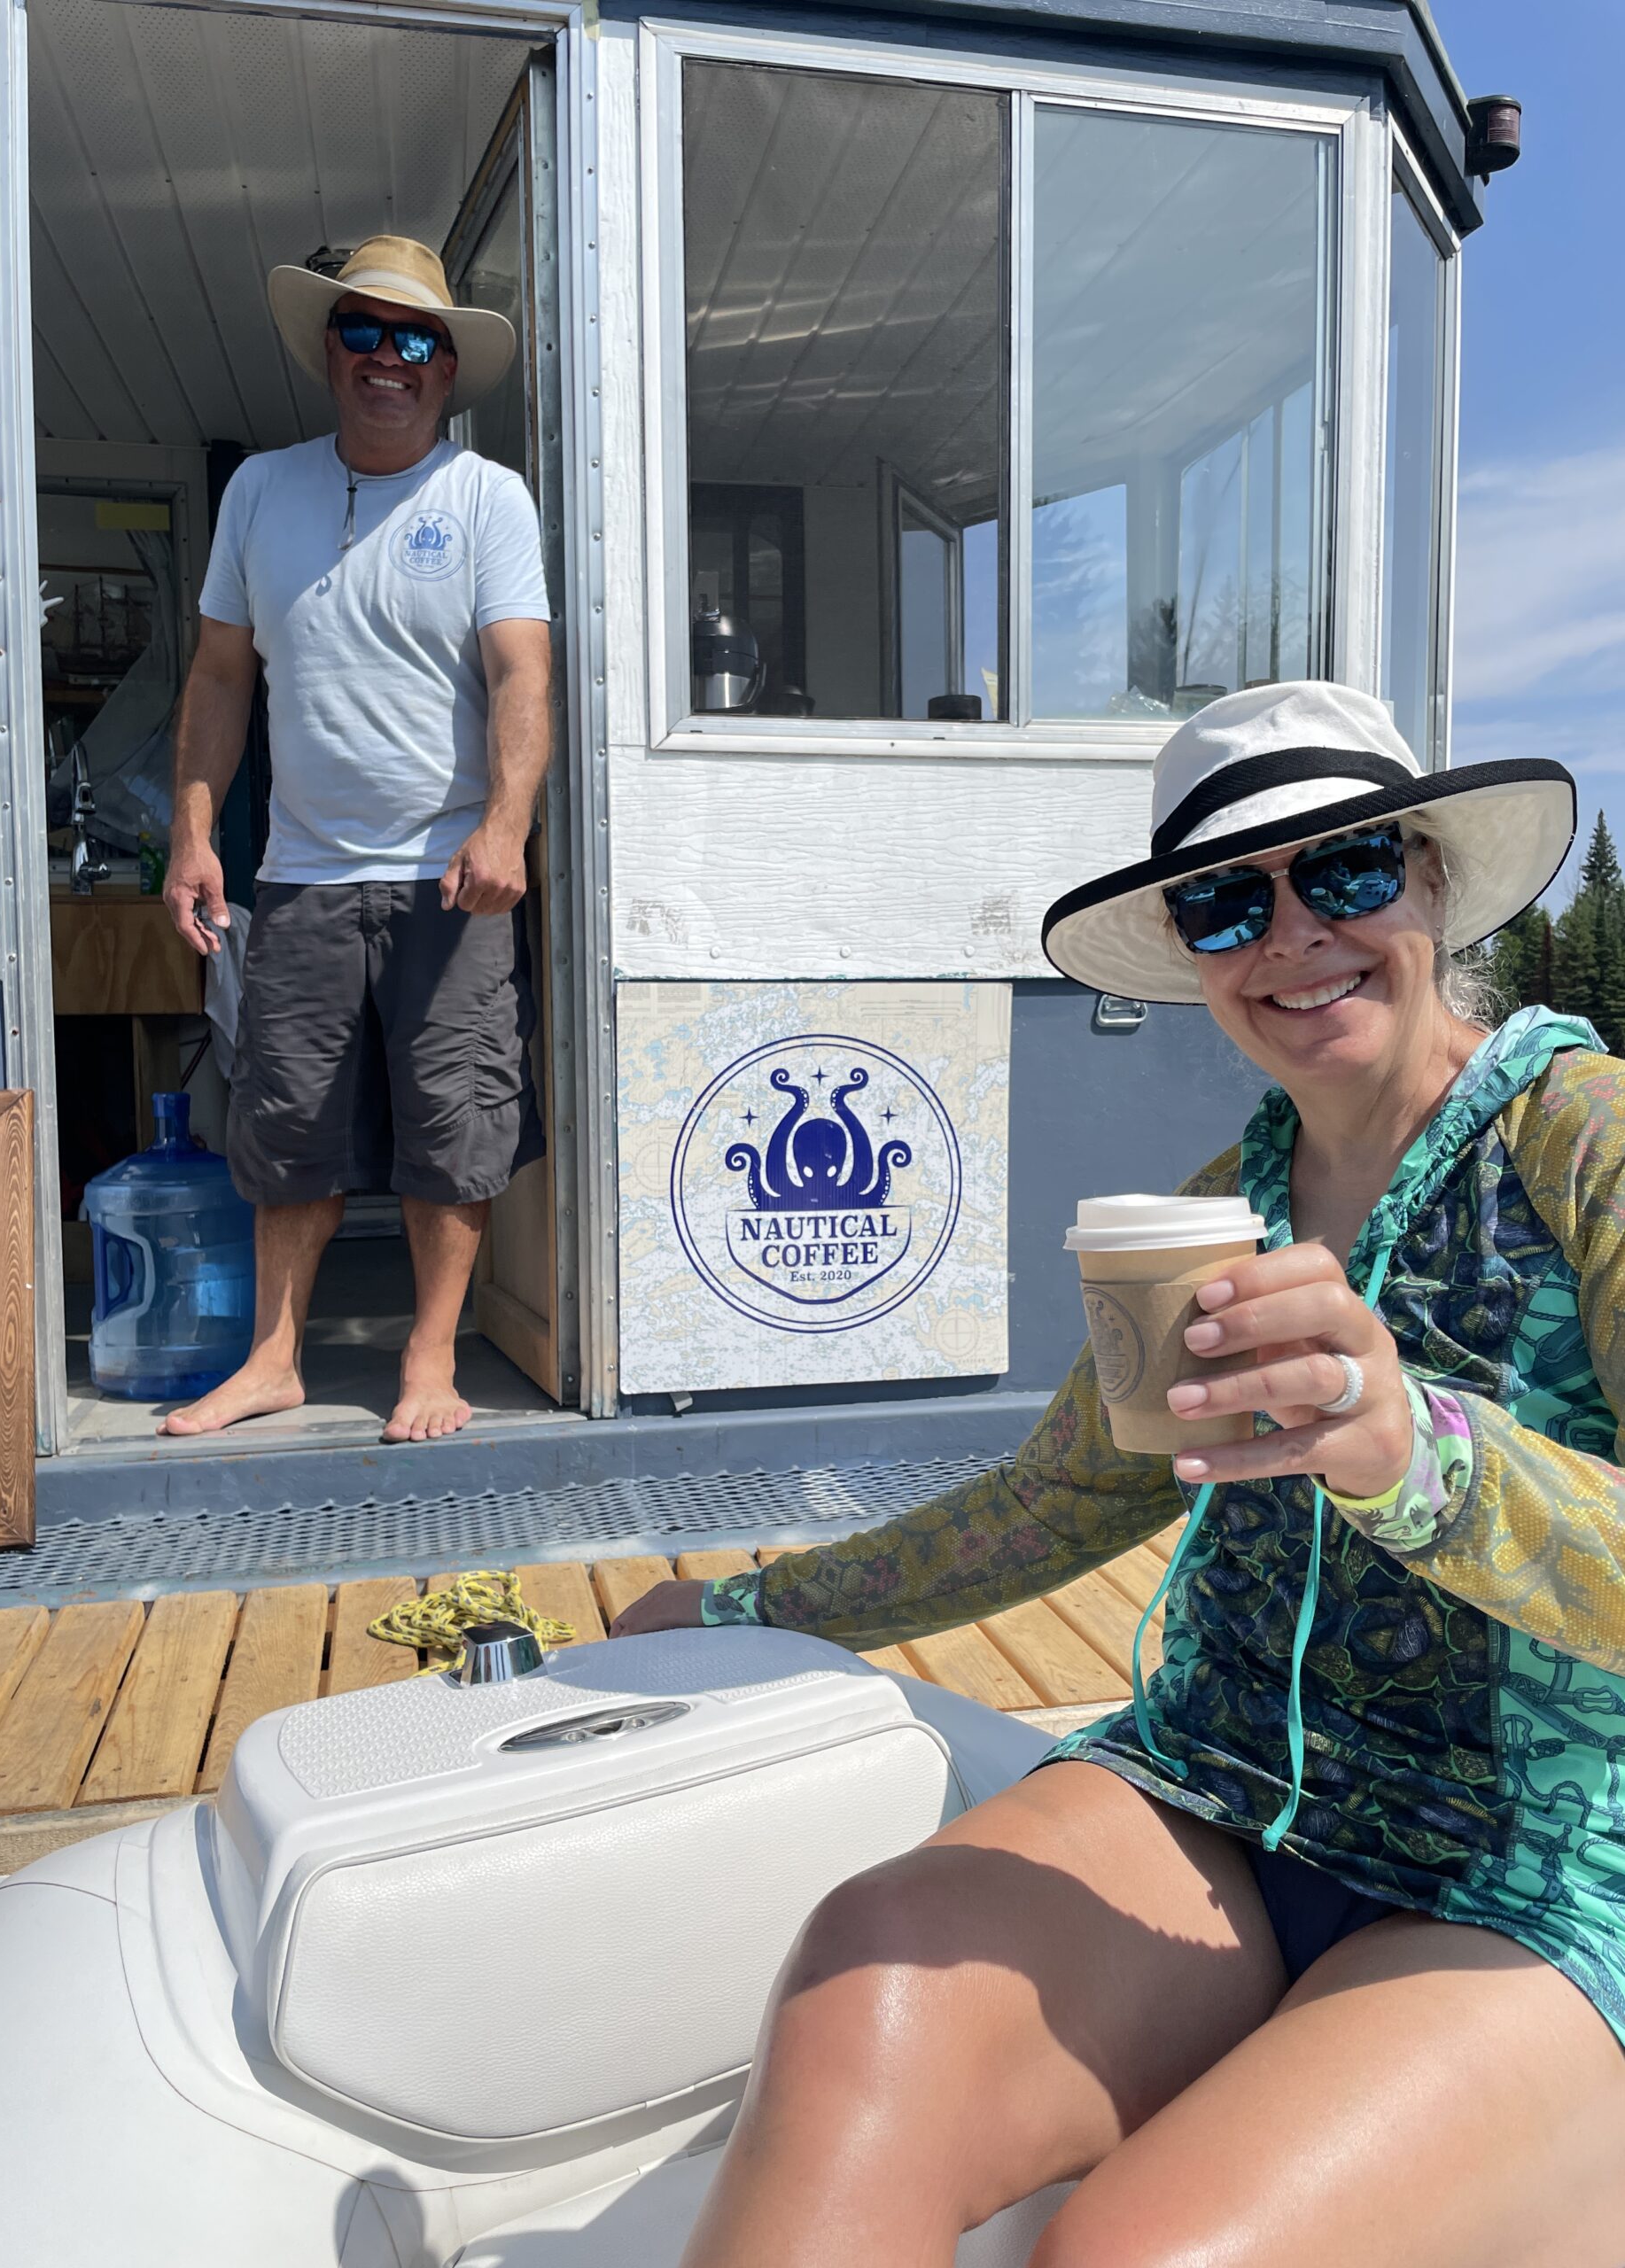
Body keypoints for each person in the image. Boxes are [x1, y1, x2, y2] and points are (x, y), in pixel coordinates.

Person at [614, 682, 1625, 2265]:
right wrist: (746, 1606)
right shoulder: (1230, 1201)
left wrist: (1414, 1452)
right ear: (1193, 954)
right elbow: (1057, 1502)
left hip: (1538, 1867)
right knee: (864, 1976)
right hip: (1224, 1788)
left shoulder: (1586, 1142)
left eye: (1346, 868)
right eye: (1229, 902)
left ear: (1431, 877)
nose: (1293, 934)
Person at [159, 237, 551, 1443]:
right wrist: (191, 836)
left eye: (417, 337)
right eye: (365, 331)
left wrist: (506, 827)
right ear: (328, 350)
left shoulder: (486, 498)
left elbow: (522, 673)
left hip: (451, 880)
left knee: (454, 1127)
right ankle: (272, 1362)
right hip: (300, 877)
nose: (391, 357)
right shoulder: (259, 492)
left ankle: (429, 1360)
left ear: (447, 367)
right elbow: (220, 675)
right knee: (284, 1128)